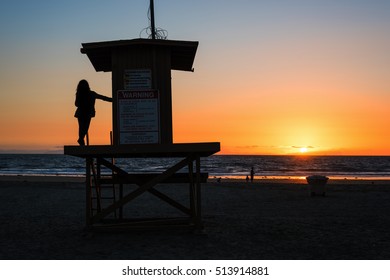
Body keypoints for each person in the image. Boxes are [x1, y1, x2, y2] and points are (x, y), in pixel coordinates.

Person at [74, 80, 112, 146]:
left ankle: (81, 140)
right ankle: (81, 140)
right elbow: (76, 103)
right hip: (84, 113)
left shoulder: (88, 93)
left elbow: (102, 97)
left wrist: (112, 100)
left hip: (84, 113)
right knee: (84, 127)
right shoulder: (85, 94)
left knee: (83, 128)